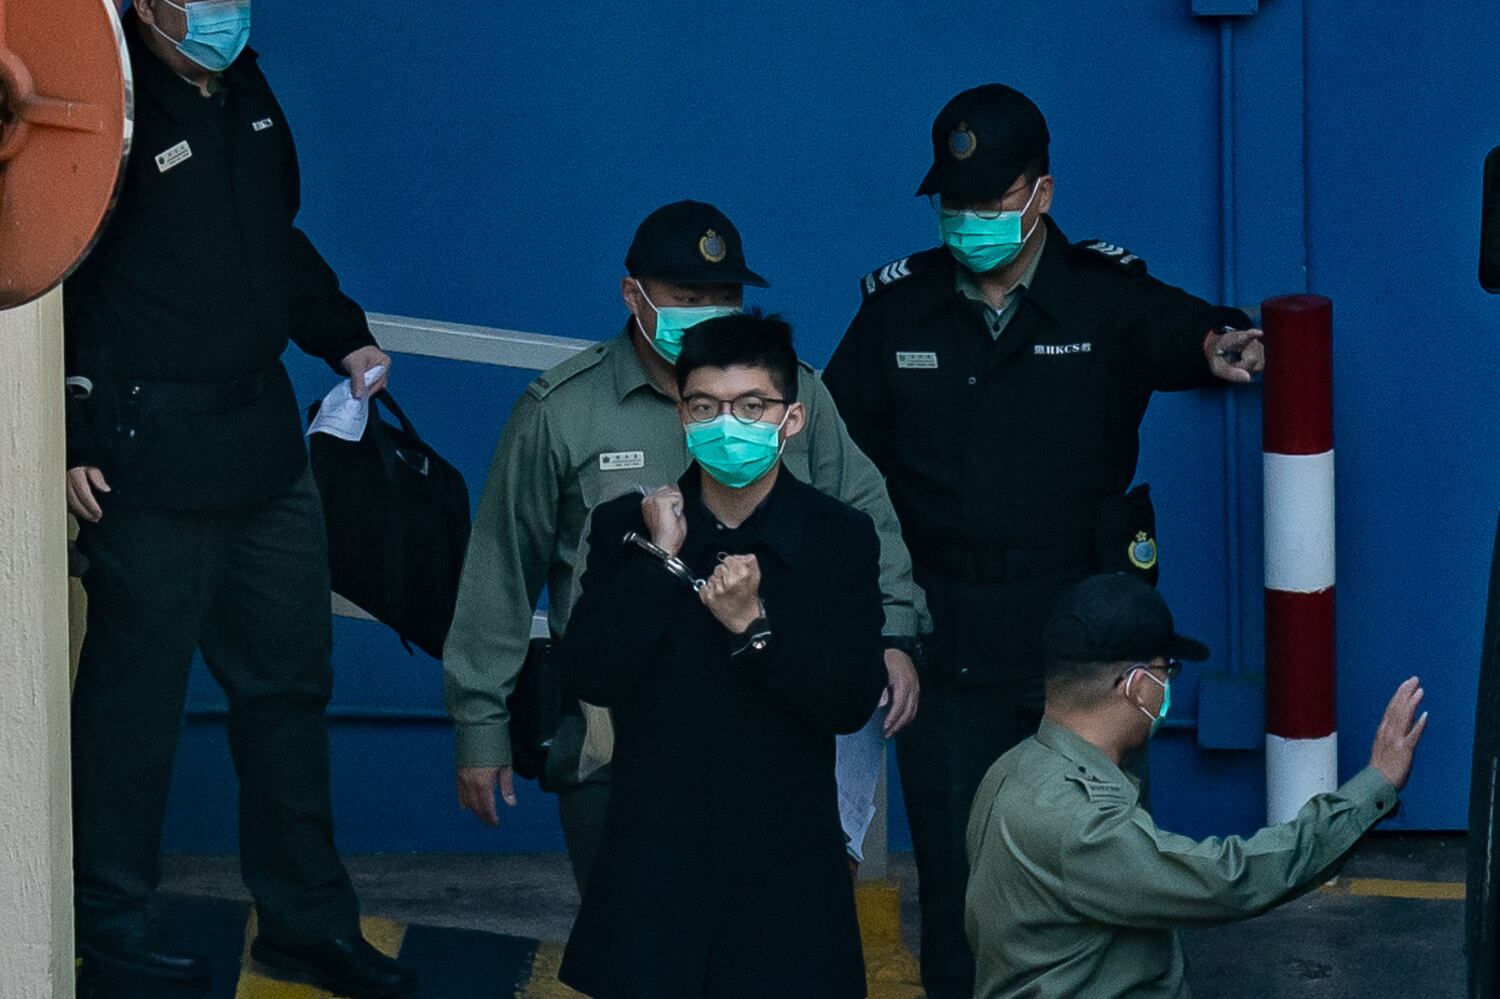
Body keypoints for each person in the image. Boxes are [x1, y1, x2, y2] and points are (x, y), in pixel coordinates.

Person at [820, 82, 1267, 998]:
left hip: (1080, 657)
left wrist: (1224, 343)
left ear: (1041, 194)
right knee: (959, 887)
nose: (970, 219)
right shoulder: (895, 313)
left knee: (1105, 880)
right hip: (948, 651)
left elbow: (1186, 330)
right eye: (955, 202)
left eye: (992, 201)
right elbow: (831, 458)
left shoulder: (1102, 299)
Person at [62, 2, 413, 995]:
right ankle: (110, 924)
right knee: (134, 711)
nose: (224, 7)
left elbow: (277, 238)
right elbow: (61, 270)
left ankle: (305, 924)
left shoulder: (247, 83)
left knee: (289, 696)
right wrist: (70, 431)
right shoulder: (104, 95)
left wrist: (345, 334)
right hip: (149, 455)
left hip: (263, 452)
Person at [443, 200, 927, 886]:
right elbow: (500, 569)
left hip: (777, 726)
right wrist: (480, 724)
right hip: (618, 743)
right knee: (640, 951)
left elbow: (867, 518)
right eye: (686, 296)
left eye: (723, 296)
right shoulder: (565, 411)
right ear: (632, 294)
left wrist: (895, 635)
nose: (708, 310)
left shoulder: (795, 396)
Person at [556, 312, 887, 998]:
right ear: (681, 414)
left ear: (790, 419)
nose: (726, 423)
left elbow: (850, 695)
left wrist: (755, 629)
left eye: (751, 406)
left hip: (785, 873)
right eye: (705, 406)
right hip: (657, 863)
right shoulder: (627, 527)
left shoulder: (837, 538)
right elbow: (591, 670)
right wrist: (657, 559)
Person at [965, 573, 1428, 998]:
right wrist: (1375, 785)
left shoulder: (1011, 771)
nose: (1167, 691)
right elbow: (1228, 881)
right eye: (1167, 673)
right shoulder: (1077, 821)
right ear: (1136, 687)